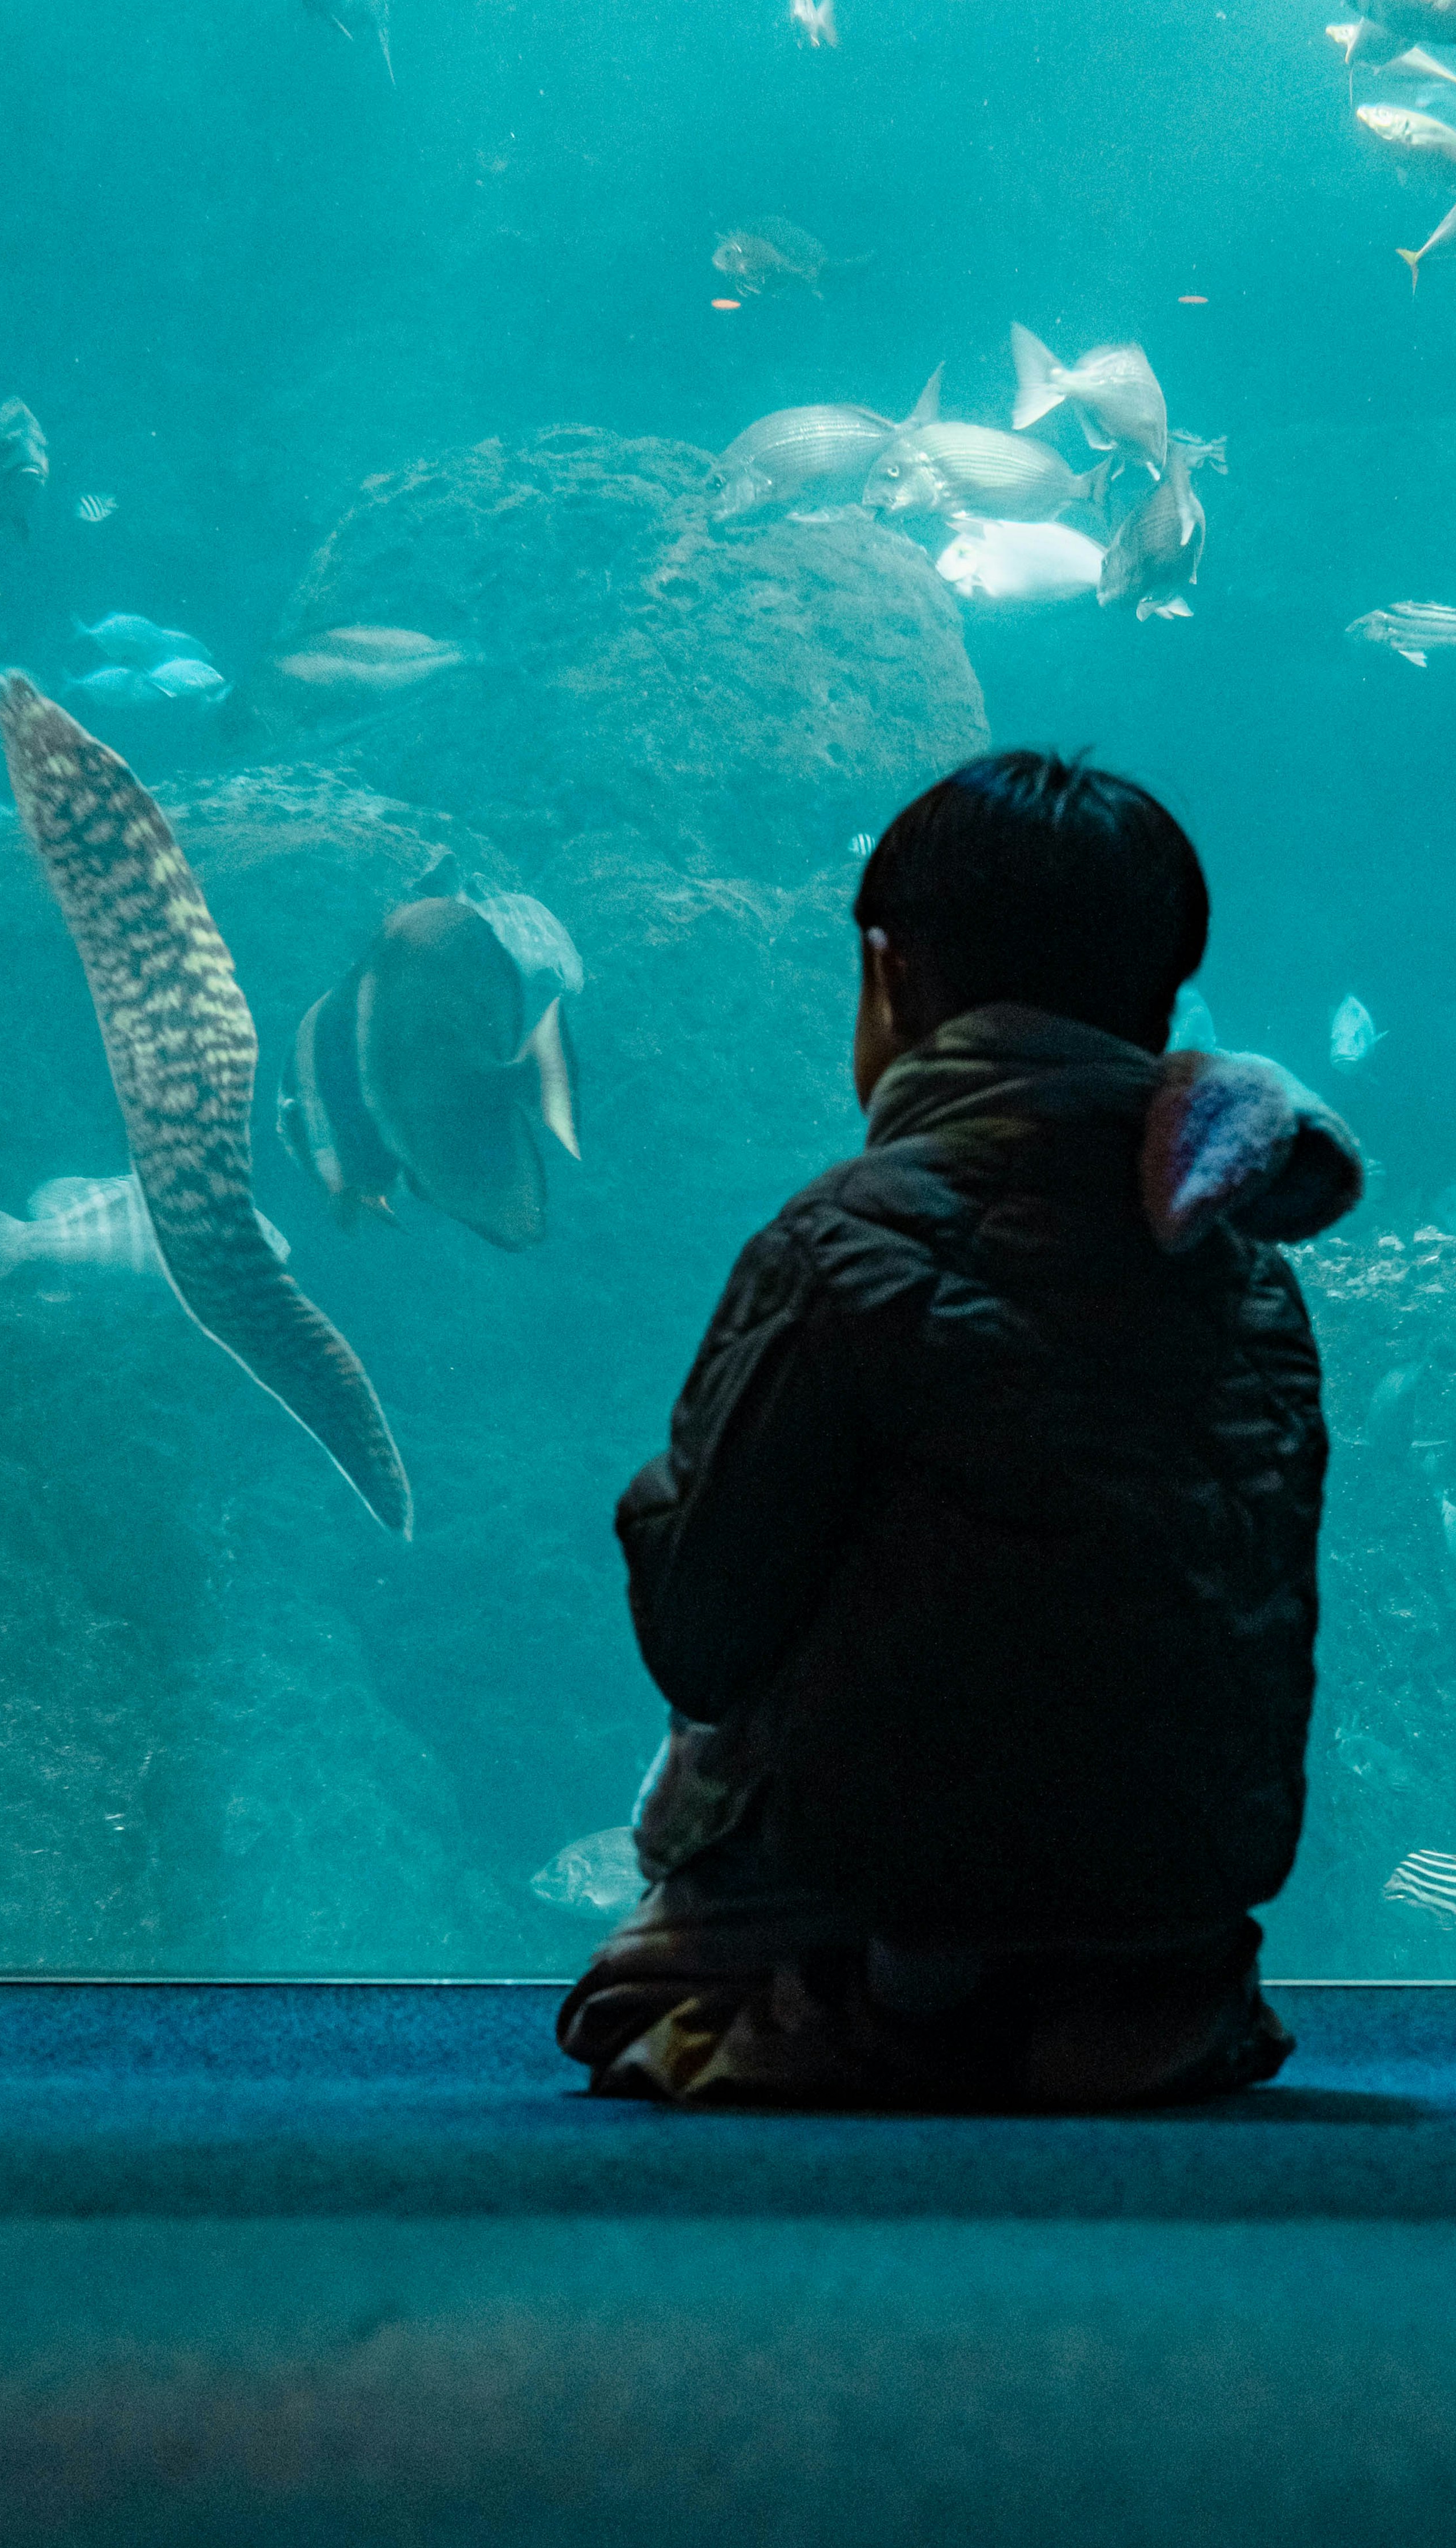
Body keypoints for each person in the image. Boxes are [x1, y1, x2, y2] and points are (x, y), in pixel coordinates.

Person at [558, 748, 1361, 2111]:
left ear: (886, 975)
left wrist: (658, 1492)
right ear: (1160, 990)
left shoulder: (837, 1244)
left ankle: (906, 2007)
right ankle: (1093, 2014)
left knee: (624, 1997)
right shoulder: (1251, 1273)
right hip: (1172, 1937)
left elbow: (702, 1637)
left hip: (894, 1907)